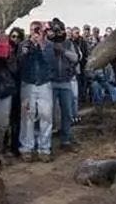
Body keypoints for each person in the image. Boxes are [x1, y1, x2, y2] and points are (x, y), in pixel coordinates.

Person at [18, 21, 54, 162]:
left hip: (44, 84)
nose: (36, 33)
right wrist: (27, 50)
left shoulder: (48, 45)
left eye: (38, 30)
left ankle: (44, 149)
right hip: (28, 84)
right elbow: (20, 63)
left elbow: (50, 62)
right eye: (33, 30)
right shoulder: (24, 45)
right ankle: (27, 148)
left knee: (46, 116)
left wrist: (41, 45)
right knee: (27, 116)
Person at [47, 18, 78, 152]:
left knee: (67, 112)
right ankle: (46, 141)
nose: (58, 33)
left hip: (65, 81)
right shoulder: (47, 44)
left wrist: (63, 51)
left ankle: (65, 139)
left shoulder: (68, 43)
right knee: (49, 113)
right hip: (50, 81)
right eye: (55, 30)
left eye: (60, 29)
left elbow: (76, 58)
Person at [7, 27, 24, 157]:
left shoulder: (22, 51)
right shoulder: (7, 51)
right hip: (8, 87)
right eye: (13, 36)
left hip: (19, 88)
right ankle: (5, 145)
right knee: (6, 119)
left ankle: (15, 145)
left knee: (16, 119)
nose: (15, 39)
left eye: (17, 37)